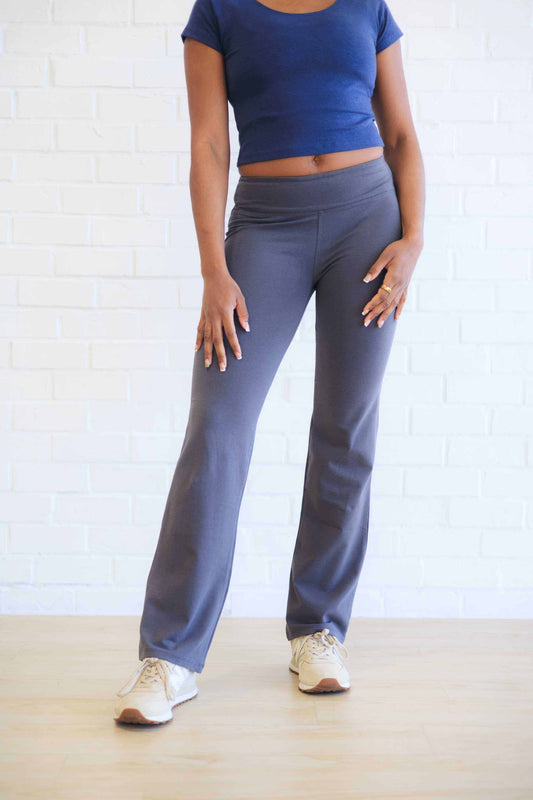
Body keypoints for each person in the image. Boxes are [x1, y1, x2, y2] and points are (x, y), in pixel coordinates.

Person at [114, 0, 425, 726]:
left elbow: (402, 133)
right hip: (265, 227)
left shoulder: (365, 6)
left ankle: (317, 631)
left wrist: (412, 240)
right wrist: (213, 270)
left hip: (367, 220)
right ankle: (170, 656)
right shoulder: (218, 10)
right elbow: (208, 144)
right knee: (218, 427)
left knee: (345, 428)